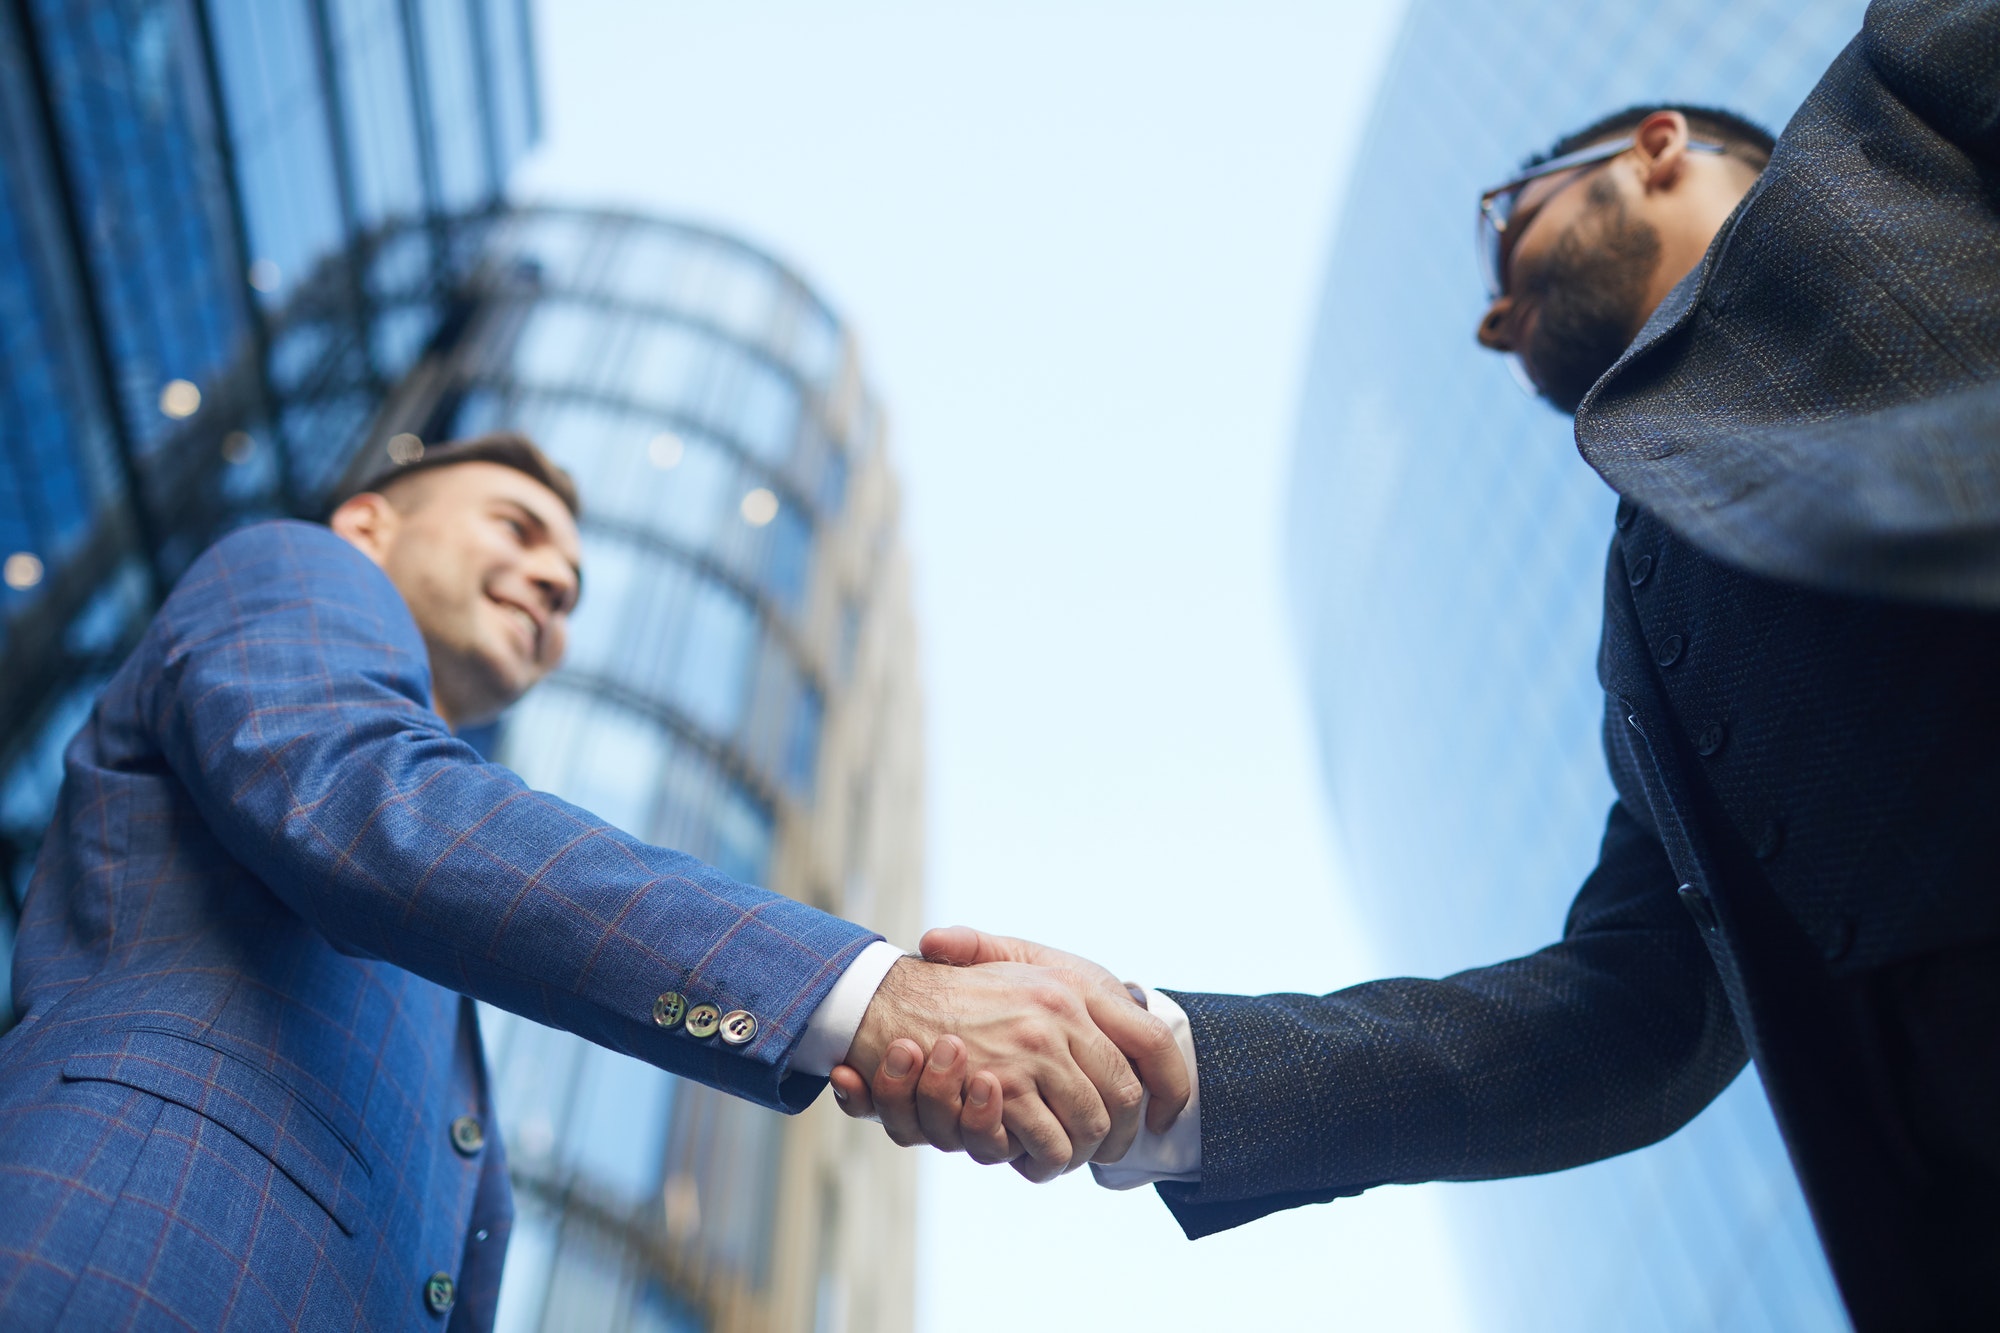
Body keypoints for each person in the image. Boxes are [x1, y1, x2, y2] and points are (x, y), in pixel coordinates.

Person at [836, 1, 2000, 1326]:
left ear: (1658, 144)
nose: (1497, 319)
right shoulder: (1648, 648)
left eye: (1515, 224)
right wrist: (1176, 1063)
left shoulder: (1893, 113)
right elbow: (1629, 1017)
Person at [0, 434, 1188, 1330]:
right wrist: (870, 995)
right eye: (514, 529)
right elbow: (359, 798)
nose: (550, 583)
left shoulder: (441, 922)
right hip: (125, 1258)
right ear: (368, 523)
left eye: (567, 581)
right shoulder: (299, 568)